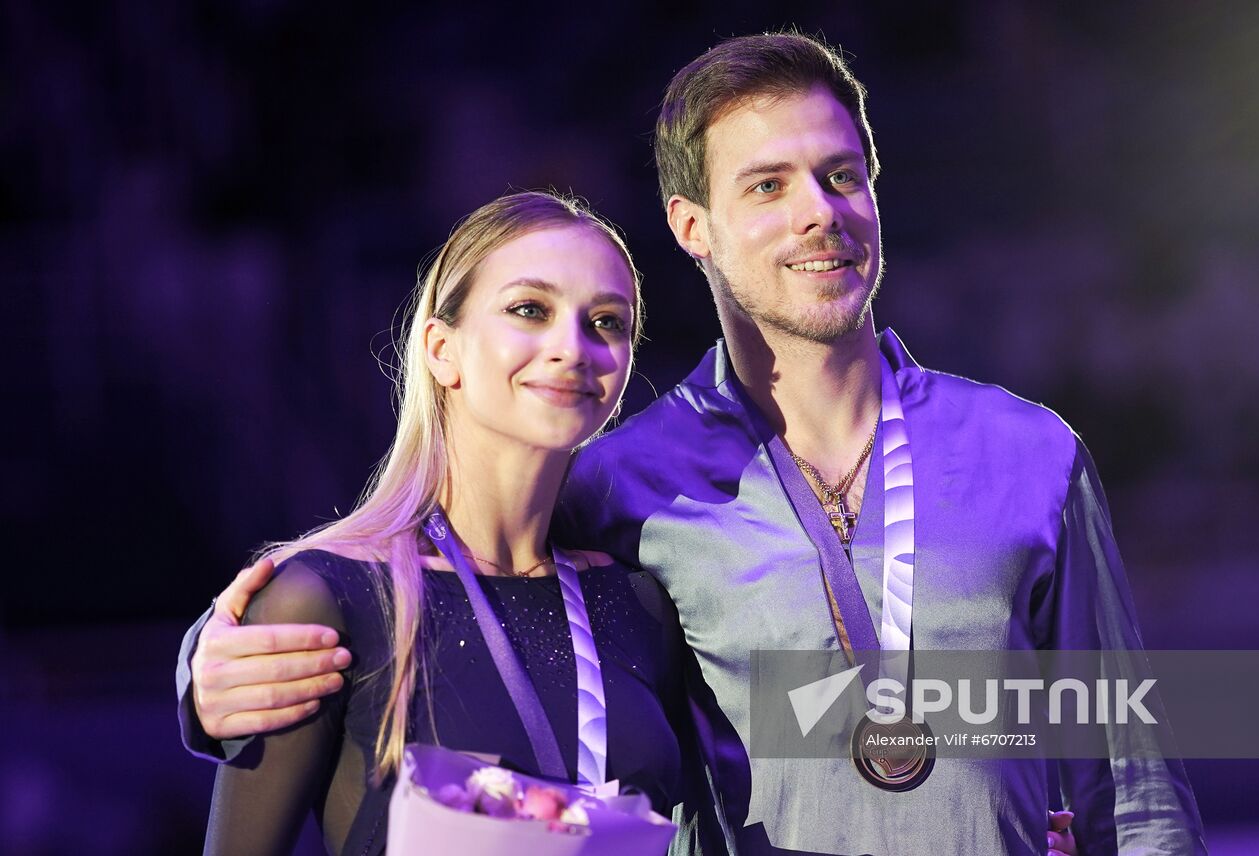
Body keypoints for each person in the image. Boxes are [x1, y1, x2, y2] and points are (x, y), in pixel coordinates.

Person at [180, 33, 1197, 855]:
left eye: (841, 174)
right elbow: (451, 566)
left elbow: (1130, 786)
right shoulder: (622, 485)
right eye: (767, 186)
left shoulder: (1029, 452)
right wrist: (205, 668)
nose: (819, 212)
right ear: (691, 225)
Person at [196, 191, 717, 855]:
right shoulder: (324, 599)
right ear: (443, 350)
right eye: (530, 310)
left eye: (607, 322)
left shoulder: (638, 602)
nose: (573, 347)